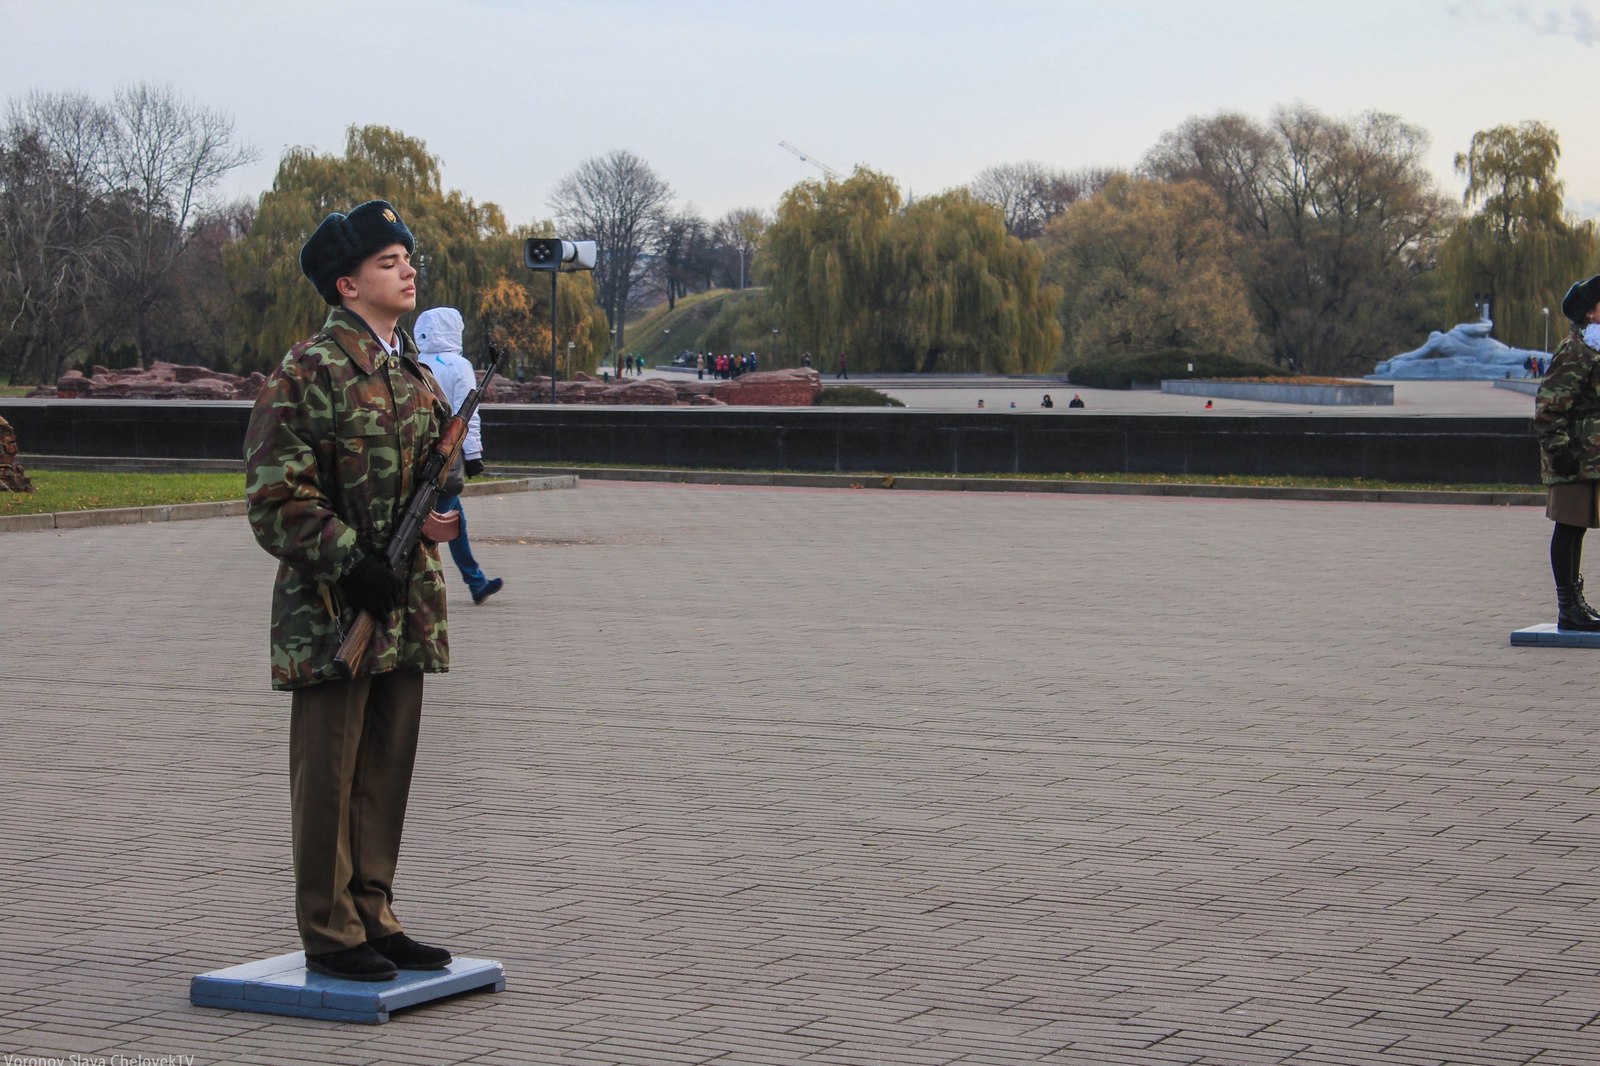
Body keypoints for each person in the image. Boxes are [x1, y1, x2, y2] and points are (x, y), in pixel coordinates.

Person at [243, 200, 455, 982]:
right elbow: (276, 497)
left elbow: (438, 469)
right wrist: (349, 560)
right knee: (329, 776)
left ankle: (375, 912)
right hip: (336, 610)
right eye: (388, 260)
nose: (407, 269)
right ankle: (331, 932)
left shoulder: (413, 370)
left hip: (403, 606)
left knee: (385, 771)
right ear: (346, 284)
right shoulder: (310, 372)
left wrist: (445, 494)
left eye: (407, 256)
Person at [415, 305, 504, 606]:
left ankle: (476, 581)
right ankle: (425, 581)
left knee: (454, 519)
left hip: (416, 452)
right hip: (447, 454)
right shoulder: (458, 365)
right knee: (434, 520)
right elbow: (468, 414)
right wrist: (474, 453)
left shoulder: (413, 362)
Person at [1535, 274, 1600, 631]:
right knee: (1569, 528)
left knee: (1578, 529)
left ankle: (1576, 603)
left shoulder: (1595, 347)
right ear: (1590, 313)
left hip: (1590, 458)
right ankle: (1568, 607)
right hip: (1573, 456)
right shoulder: (1577, 349)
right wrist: (1559, 451)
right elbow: (1548, 405)